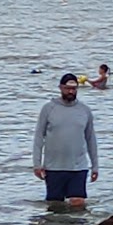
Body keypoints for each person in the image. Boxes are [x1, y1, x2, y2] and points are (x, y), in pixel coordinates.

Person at [32, 73, 99, 209]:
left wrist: (95, 166)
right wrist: (36, 164)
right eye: (67, 88)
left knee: (78, 204)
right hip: (54, 168)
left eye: (74, 89)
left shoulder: (84, 110)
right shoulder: (49, 108)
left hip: (78, 167)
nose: (70, 92)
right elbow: (39, 136)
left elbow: (91, 139)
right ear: (61, 88)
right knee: (55, 207)